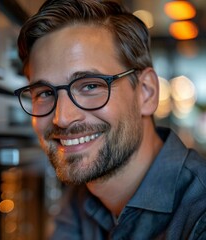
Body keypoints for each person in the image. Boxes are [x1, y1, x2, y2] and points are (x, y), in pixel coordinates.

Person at [14, 0, 206, 239]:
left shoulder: (199, 216)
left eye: (90, 86)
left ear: (146, 92)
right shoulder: (79, 198)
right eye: (43, 93)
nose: (62, 117)